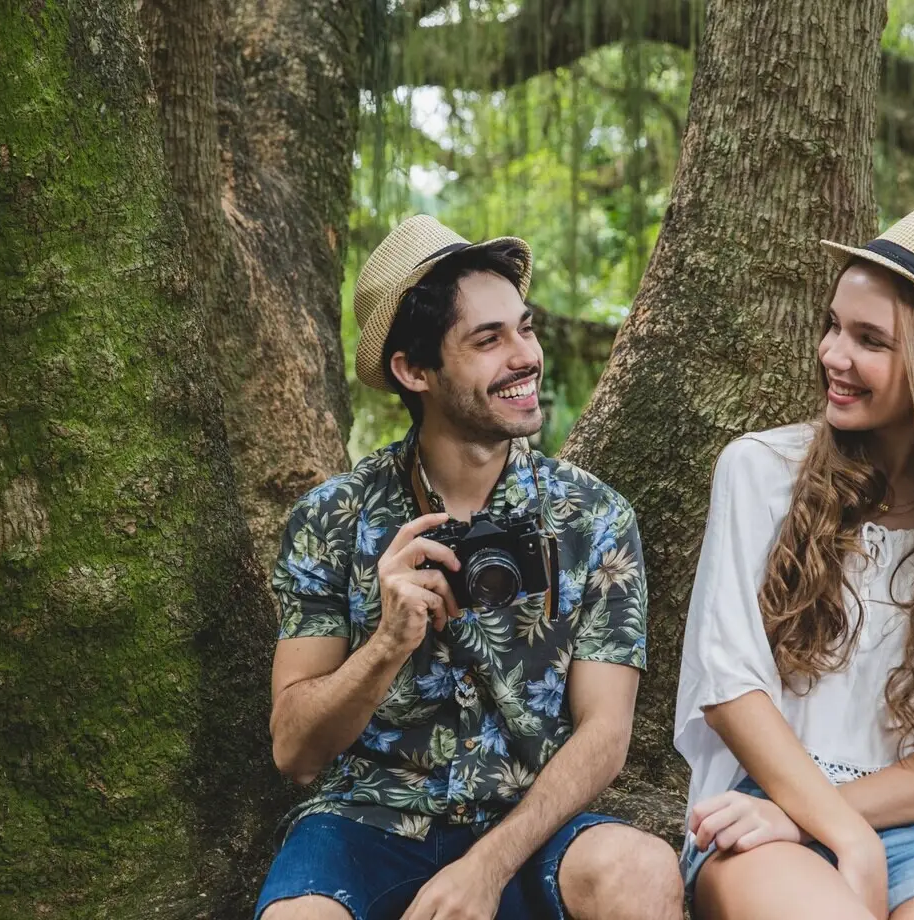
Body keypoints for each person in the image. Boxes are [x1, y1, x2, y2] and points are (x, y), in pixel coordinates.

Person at [257, 215, 683, 920]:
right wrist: (388, 643)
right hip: (371, 821)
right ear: (413, 370)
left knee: (642, 871)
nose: (526, 356)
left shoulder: (593, 516)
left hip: (531, 821)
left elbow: (606, 734)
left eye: (526, 327)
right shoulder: (332, 519)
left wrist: (487, 867)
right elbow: (294, 751)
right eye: (488, 340)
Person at [674, 205, 914, 920]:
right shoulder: (761, 472)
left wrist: (838, 823)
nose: (832, 354)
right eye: (833, 325)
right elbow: (728, 685)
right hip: (767, 803)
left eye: (869, 340)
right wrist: (834, 831)